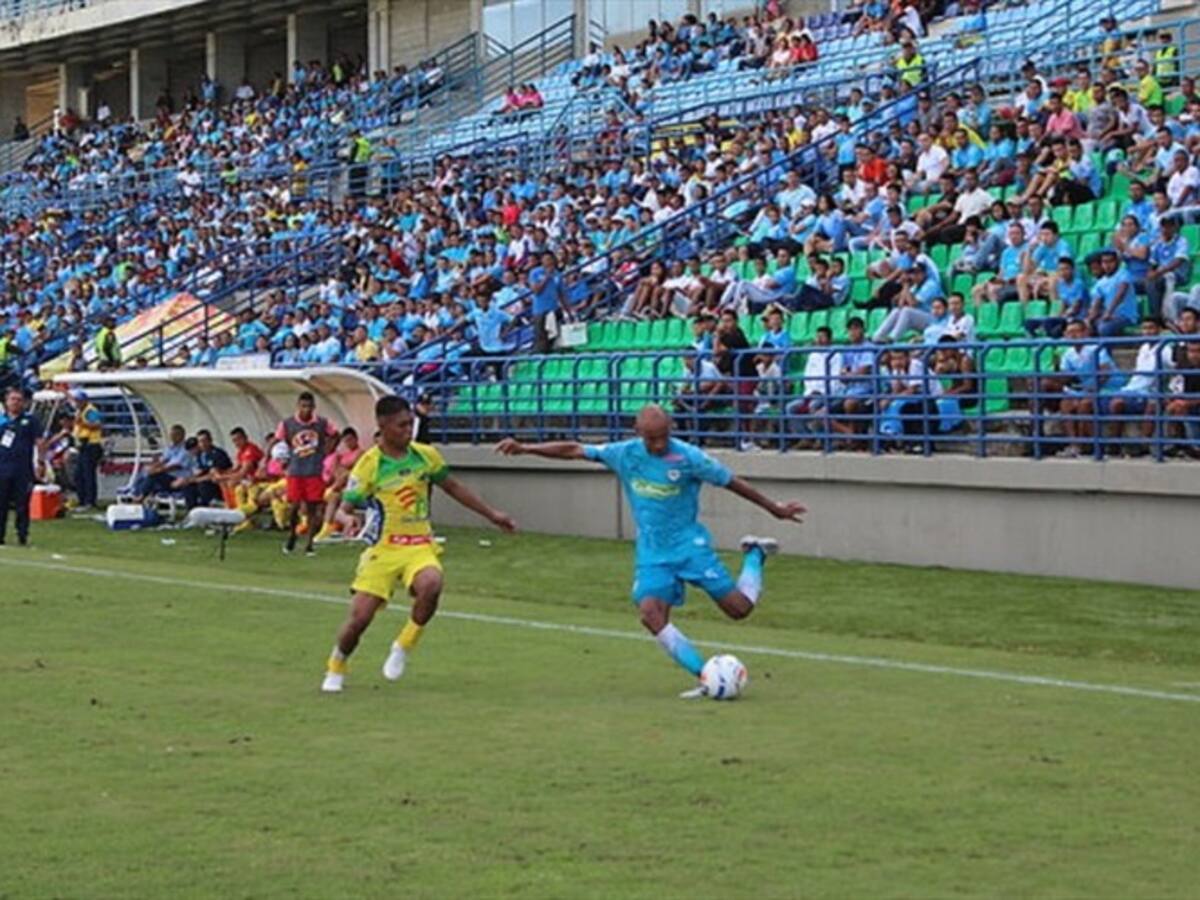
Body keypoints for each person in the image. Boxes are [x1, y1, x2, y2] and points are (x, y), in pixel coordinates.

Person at [495, 405, 805, 698]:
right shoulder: (624, 453)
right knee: (651, 614)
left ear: (671, 427)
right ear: (638, 431)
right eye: (650, 438)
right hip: (653, 554)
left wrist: (774, 508)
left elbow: (732, 482)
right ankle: (706, 677)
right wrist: (525, 448)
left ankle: (755, 554)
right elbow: (575, 449)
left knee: (739, 610)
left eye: (662, 437)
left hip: (689, 548)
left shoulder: (689, 457)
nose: (657, 445)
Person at [320, 396, 516, 693]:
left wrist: (492, 514)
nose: (408, 430)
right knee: (360, 618)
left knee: (432, 583)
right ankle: (337, 664)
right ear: (382, 426)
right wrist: (348, 521)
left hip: (419, 545)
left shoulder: (425, 456)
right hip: (384, 549)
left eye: (411, 423)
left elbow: (453, 487)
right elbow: (344, 509)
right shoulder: (369, 465)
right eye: (401, 425)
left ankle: (403, 645)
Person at [275, 391, 340, 557]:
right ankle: (292, 536)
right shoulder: (287, 424)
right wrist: (282, 457)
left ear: (314, 407)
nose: (306, 409)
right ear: (298, 406)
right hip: (296, 470)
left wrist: (327, 450)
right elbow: (279, 442)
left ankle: (309, 544)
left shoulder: (321, 423)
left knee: (312, 507)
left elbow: (335, 434)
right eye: (303, 406)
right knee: (295, 506)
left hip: (314, 470)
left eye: (309, 406)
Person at [0, 387, 43, 547]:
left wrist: (40, 462)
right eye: (12, 399)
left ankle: (22, 536)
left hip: (22, 470)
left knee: (22, 505)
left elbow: (39, 441)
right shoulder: (2, 420)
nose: (15, 402)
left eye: (18, 399)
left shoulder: (30, 420)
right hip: (2, 469)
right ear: (6, 401)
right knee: (1, 504)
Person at [71, 389, 103, 510]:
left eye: (78, 400)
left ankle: (90, 501)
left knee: (88, 474)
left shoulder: (90, 410)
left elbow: (97, 425)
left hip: (91, 444)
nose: (76, 403)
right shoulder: (80, 411)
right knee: (79, 474)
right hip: (82, 445)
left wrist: (82, 424)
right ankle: (82, 499)